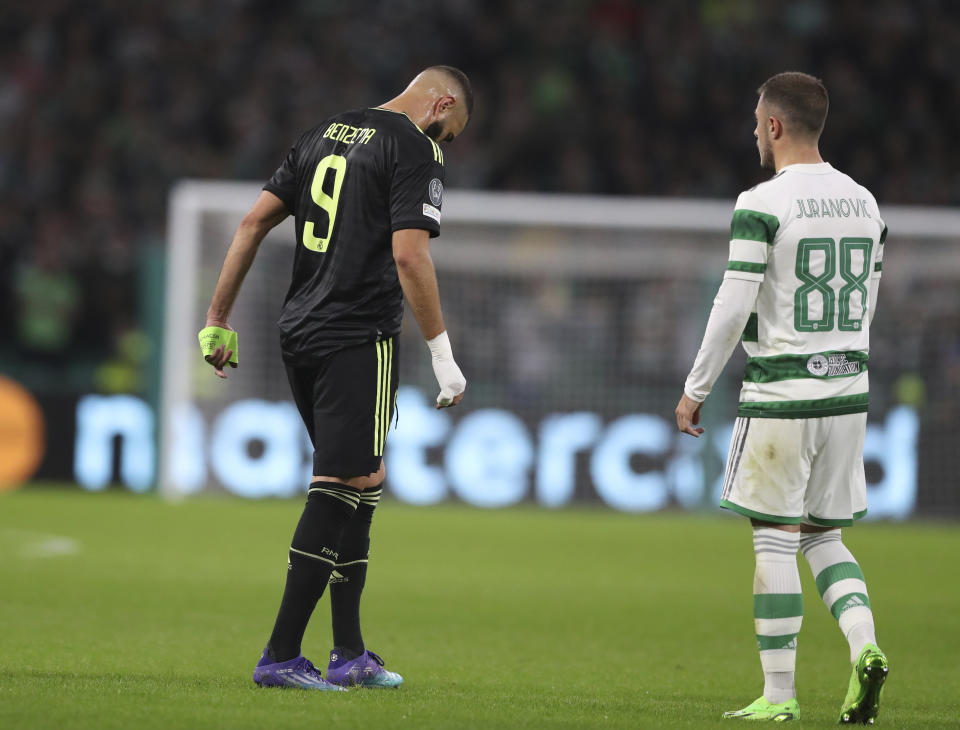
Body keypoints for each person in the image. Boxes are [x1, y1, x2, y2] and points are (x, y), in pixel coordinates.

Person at [198, 66, 472, 690]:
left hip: (299, 333)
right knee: (341, 480)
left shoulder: (324, 132)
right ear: (442, 103)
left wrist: (216, 319)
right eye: (451, 132)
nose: (445, 143)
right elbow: (409, 253)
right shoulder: (414, 146)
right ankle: (281, 655)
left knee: (363, 478)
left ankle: (349, 653)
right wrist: (442, 353)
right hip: (357, 335)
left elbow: (250, 224)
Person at [675, 72, 889, 723]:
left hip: (783, 396)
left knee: (774, 541)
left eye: (755, 121)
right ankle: (866, 645)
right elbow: (869, 302)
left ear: (773, 125)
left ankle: (779, 694)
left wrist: (695, 389)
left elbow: (731, 301)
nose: (753, 132)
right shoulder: (866, 202)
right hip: (848, 392)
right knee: (825, 538)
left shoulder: (762, 202)